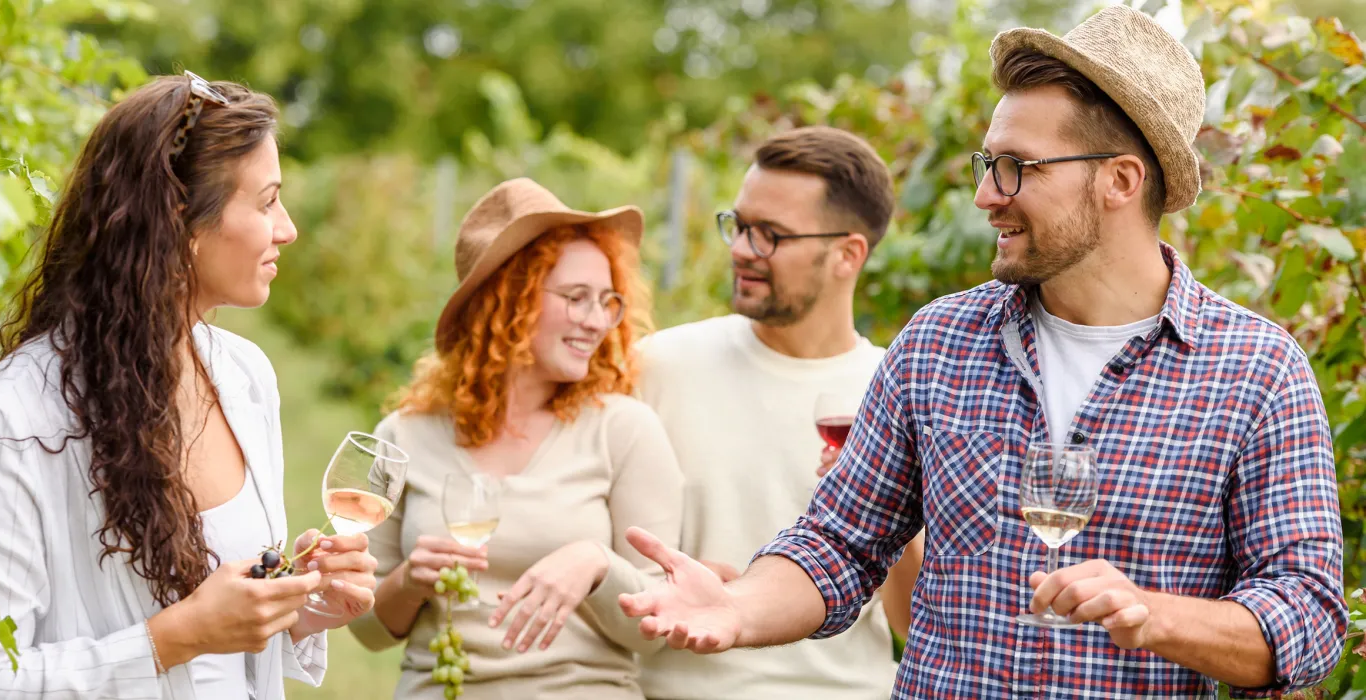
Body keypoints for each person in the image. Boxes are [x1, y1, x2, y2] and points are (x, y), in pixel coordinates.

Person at [618, 7, 1347, 699]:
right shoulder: (939, 343)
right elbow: (839, 544)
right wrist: (738, 607)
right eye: (985, 164)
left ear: (1119, 180)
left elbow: (1308, 619)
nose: (985, 196)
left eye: (1016, 168)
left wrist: (1154, 615)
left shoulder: (1257, 372)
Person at [0, 71, 379, 700]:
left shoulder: (245, 378)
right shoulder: (13, 424)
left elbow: (228, 651)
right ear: (180, 224)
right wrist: (171, 639)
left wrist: (301, 600)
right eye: (267, 202)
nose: (288, 228)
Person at [347, 178, 683, 699]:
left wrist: (596, 563)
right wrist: (411, 579)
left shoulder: (623, 429)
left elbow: (654, 631)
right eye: (576, 298)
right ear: (508, 302)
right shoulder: (403, 436)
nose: (596, 322)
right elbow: (367, 629)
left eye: (607, 301)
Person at [632, 126, 922, 700]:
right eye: (738, 226)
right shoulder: (660, 365)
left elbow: (911, 625)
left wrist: (887, 511)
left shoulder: (899, 388)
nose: (741, 249)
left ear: (847, 254)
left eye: (770, 235)